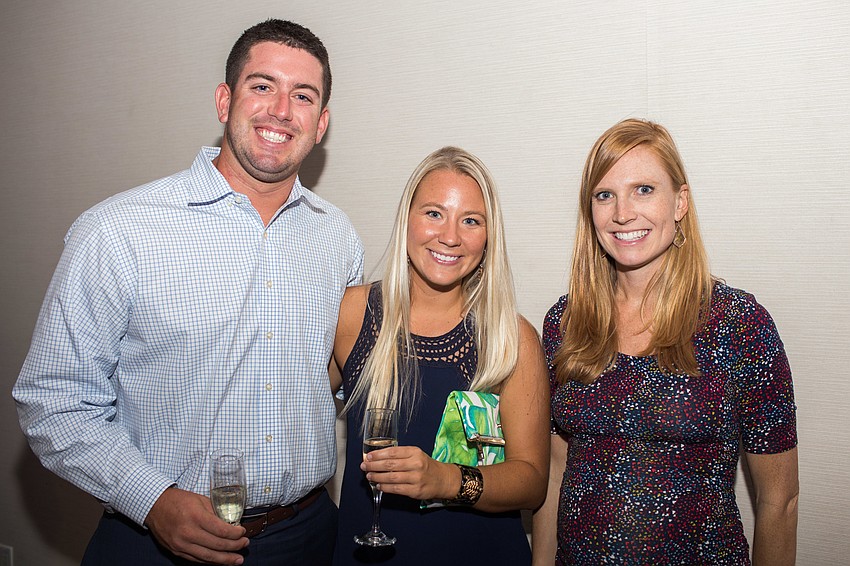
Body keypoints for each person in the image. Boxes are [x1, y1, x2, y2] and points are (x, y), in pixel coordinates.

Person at [13, 19, 363, 566]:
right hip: (155, 542)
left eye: (302, 96)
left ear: (320, 124)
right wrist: (151, 500)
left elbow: (333, 375)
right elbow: (53, 402)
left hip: (307, 537)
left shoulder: (337, 237)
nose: (280, 110)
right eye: (262, 85)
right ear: (225, 101)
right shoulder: (119, 230)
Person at [531, 118, 799, 565]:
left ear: (680, 202)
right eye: (604, 194)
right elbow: (556, 472)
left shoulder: (739, 325)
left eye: (644, 189)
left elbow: (780, 501)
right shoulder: (566, 322)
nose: (622, 213)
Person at [331, 146, 550, 565]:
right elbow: (287, 410)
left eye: (471, 221)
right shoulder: (353, 314)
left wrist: (445, 479)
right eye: (434, 213)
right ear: (407, 219)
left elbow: (532, 480)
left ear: (488, 237)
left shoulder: (510, 338)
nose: (450, 236)